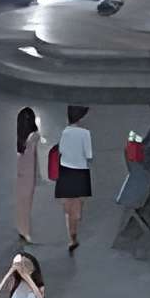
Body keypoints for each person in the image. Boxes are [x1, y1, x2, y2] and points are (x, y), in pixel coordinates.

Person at [55, 104, 93, 253]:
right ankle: (73, 236)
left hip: (65, 170)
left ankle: (70, 236)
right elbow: (88, 154)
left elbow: (61, 151)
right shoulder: (84, 133)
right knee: (77, 205)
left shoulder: (65, 132)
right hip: (80, 171)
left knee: (68, 205)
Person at [13, 106, 40, 244]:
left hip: (20, 173)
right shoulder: (34, 137)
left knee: (21, 203)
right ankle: (25, 231)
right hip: (29, 174)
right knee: (27, 204)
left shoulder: (20, 138)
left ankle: (21, 228)